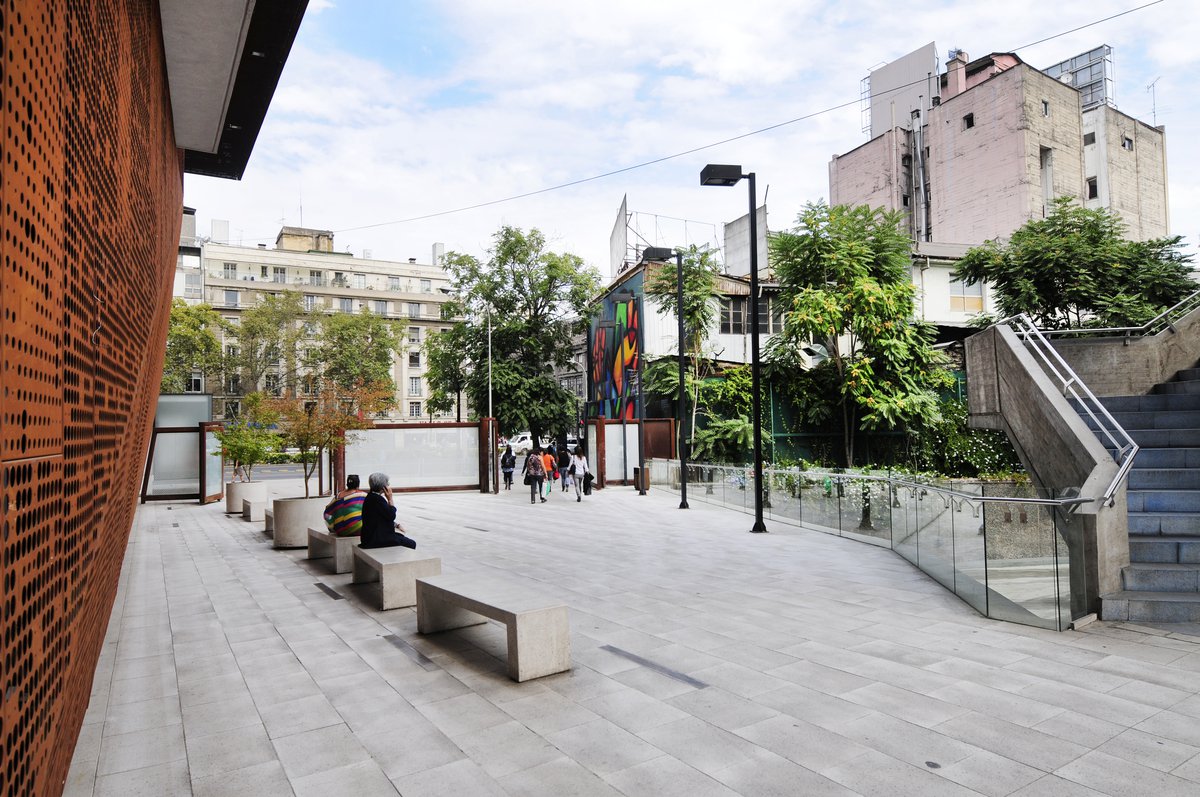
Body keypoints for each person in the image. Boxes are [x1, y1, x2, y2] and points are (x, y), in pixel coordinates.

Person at [359, 472, 416, 549]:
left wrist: (397, 525)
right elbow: (391, 515)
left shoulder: (371, 497)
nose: (388, 485)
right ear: (383, 487)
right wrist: (390, 499)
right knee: (412, 543)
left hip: (369, 538)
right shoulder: (378, 499)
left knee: (400, 536)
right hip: (376, 539)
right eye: (387, 483)